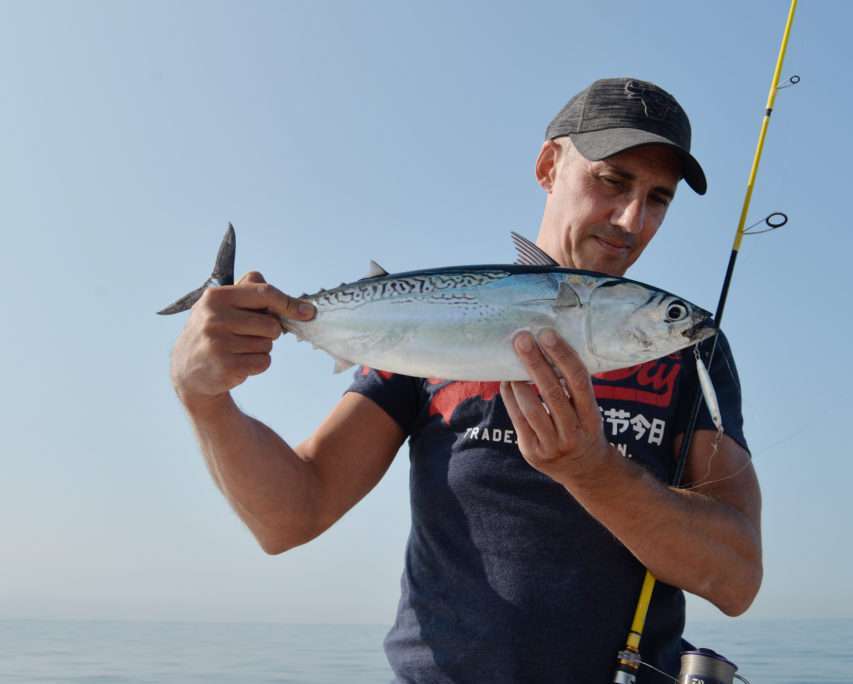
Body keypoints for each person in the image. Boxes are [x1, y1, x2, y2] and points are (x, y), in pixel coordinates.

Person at [169, 77, 762, 683]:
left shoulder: (689, 350)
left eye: (658, 198)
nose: (632, 219)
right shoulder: (434, 327)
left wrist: (594, 471)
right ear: (549, 166)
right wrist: (205, 400)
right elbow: (291, 515)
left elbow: (737, 579)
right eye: (611, 181)